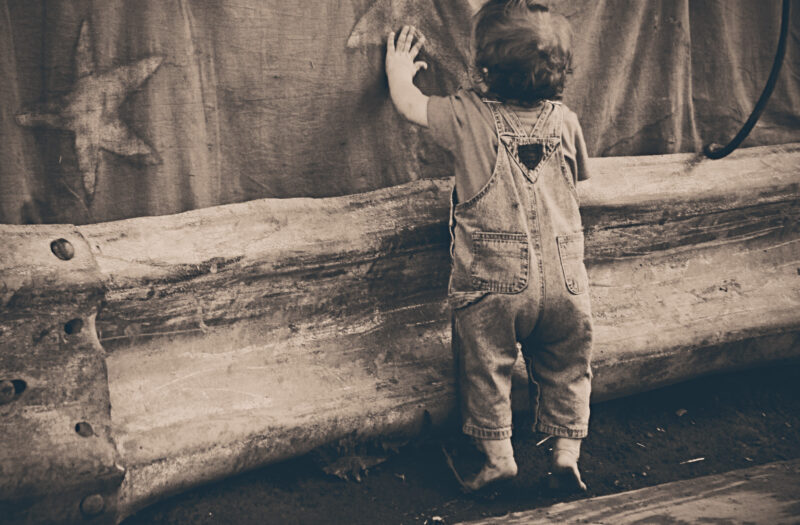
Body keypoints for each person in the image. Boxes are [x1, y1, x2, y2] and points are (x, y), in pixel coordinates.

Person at [385, 0, 593, 493]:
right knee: (568, 364)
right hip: (566, 280)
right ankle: (566, 454)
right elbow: (580, 177)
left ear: (483, 67)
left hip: (494, 282)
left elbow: (410, 105)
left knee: (486, 365)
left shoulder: (466, 116)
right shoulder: (565, 122)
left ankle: (498, 458)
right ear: (560, 73)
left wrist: (398, 70)